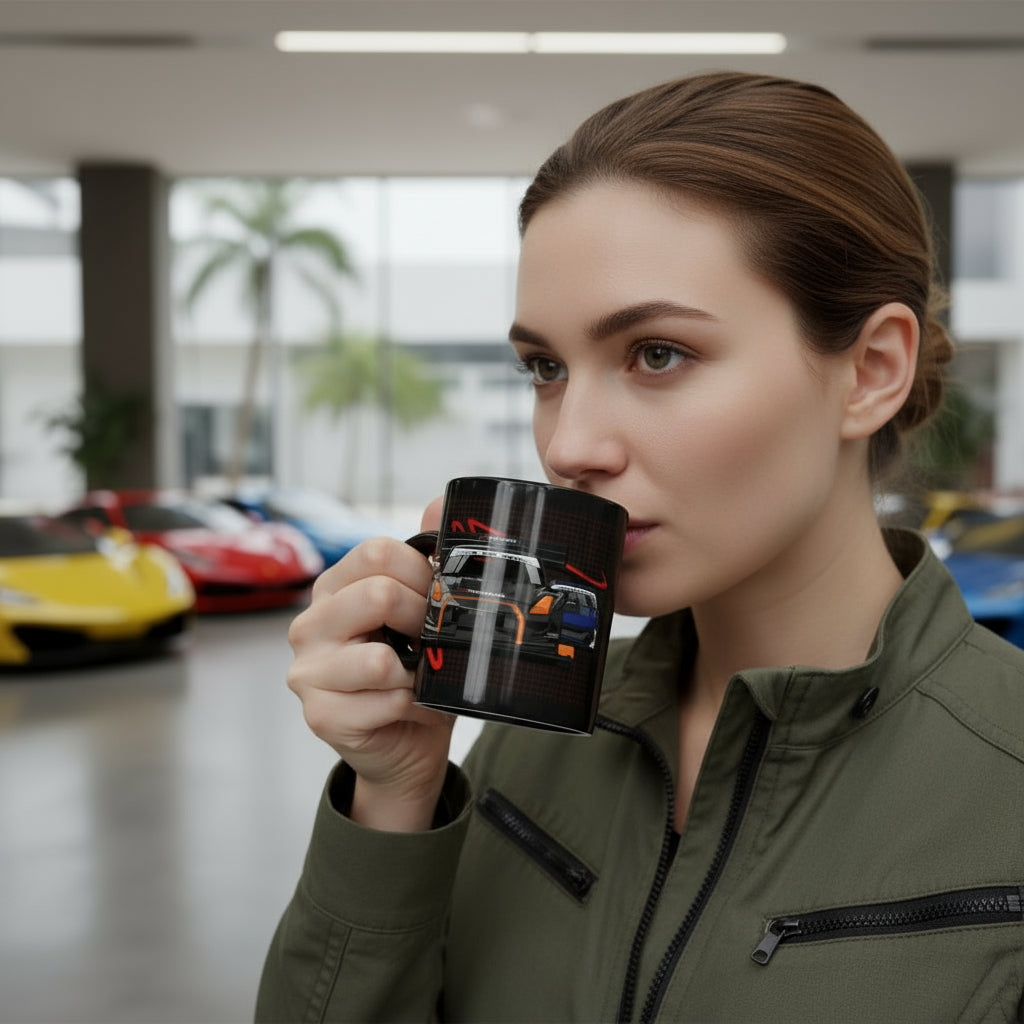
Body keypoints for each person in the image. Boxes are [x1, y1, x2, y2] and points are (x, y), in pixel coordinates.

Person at [255, 72, 1024, 1023]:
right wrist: (396, 796)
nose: (570, 445)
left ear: (870, 372)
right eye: (545, 367)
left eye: (657, 353)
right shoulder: (520, 749)